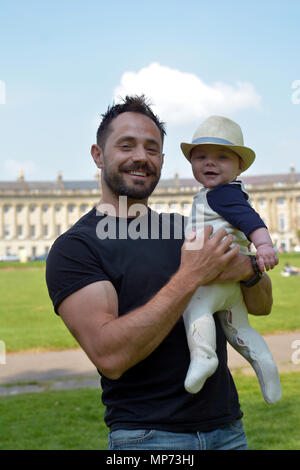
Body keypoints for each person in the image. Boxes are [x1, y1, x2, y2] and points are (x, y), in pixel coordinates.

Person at [46, 96, 274, 451]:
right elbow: (110, 357)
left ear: (162, 161)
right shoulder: (76, 248)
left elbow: (262, 305)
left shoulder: (186, 228)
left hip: (228, 430)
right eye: (126, 145)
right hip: (147, 439)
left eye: (152, 149)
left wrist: (249, 269)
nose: (141, 157)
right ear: (97, 154)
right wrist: (190, 277)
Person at [180, 115, 282, 404]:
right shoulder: (222, 193)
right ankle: (265, 365)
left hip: (212, 278)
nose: (210, 163)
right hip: (232, 285)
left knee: (194, 308)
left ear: (239, 166)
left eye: (221, 157)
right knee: (242, 330)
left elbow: (252, 221)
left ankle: (204, 357)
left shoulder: (221, 195)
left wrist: (264, 245)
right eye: (201, 157)